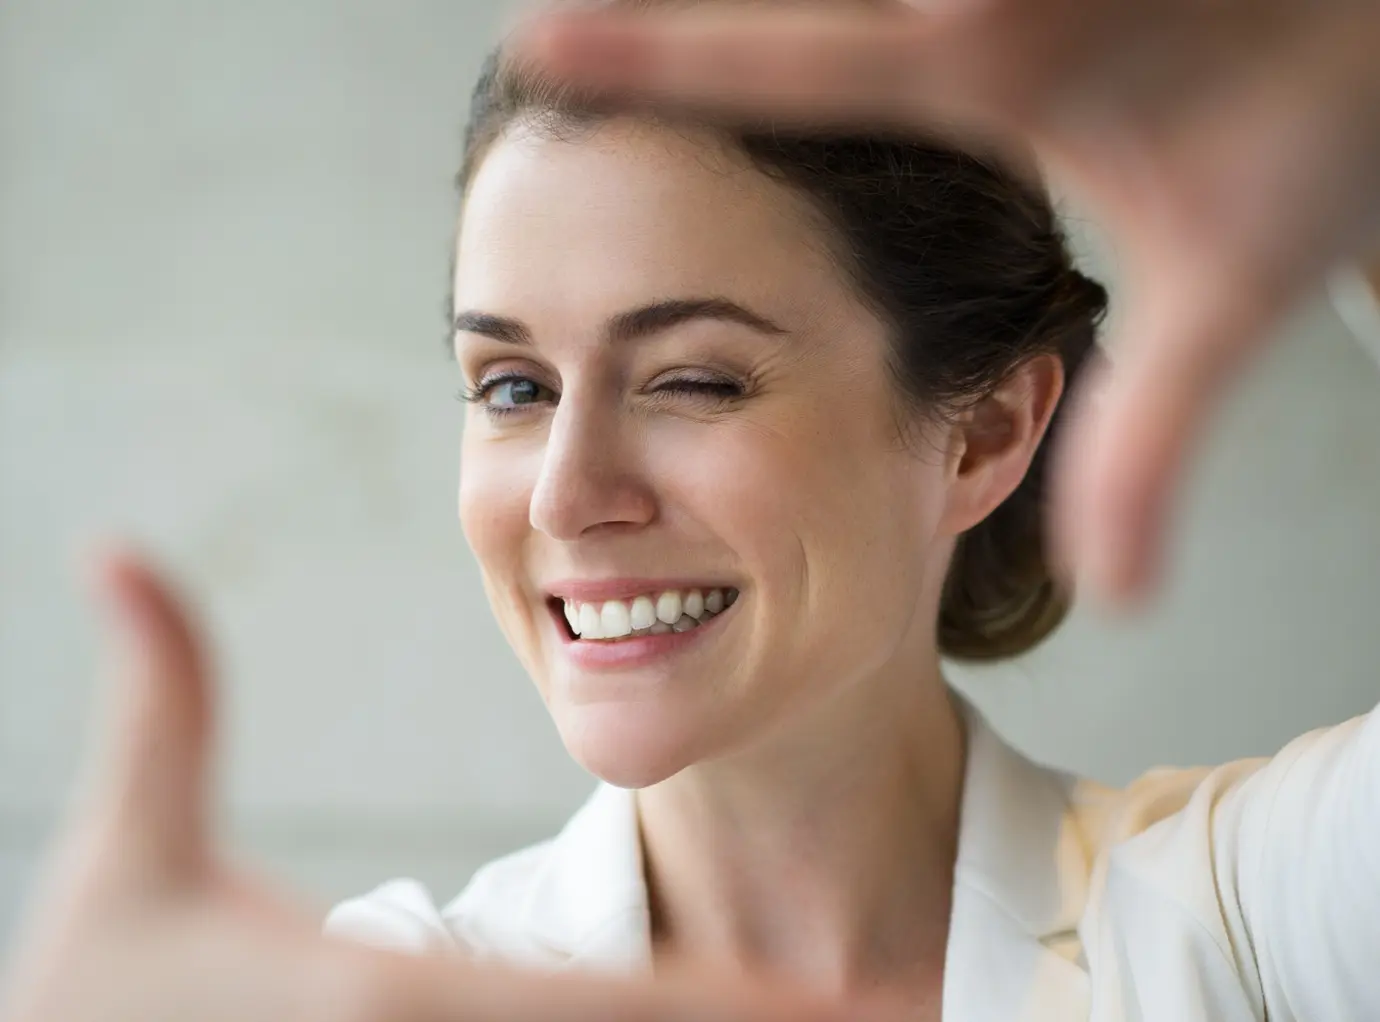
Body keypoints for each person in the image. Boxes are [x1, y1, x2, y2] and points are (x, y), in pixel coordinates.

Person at [2, 2, 1378, 1022]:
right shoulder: (398, 986)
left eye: (694, 379)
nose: (565, 495)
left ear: (985, 432)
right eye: (512, 385)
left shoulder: (1251, 917)